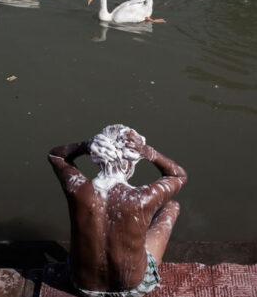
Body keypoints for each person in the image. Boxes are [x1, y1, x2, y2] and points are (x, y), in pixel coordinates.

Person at [48, 124, 187, 297]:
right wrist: (148, 152)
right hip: (132, 288)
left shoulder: (77, 189)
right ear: (131, 162)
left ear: (98, 155)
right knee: (171, 206)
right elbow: (178, 175)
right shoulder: (143, 198)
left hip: (82, 285)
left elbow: (55, 155)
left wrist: (86, 145)